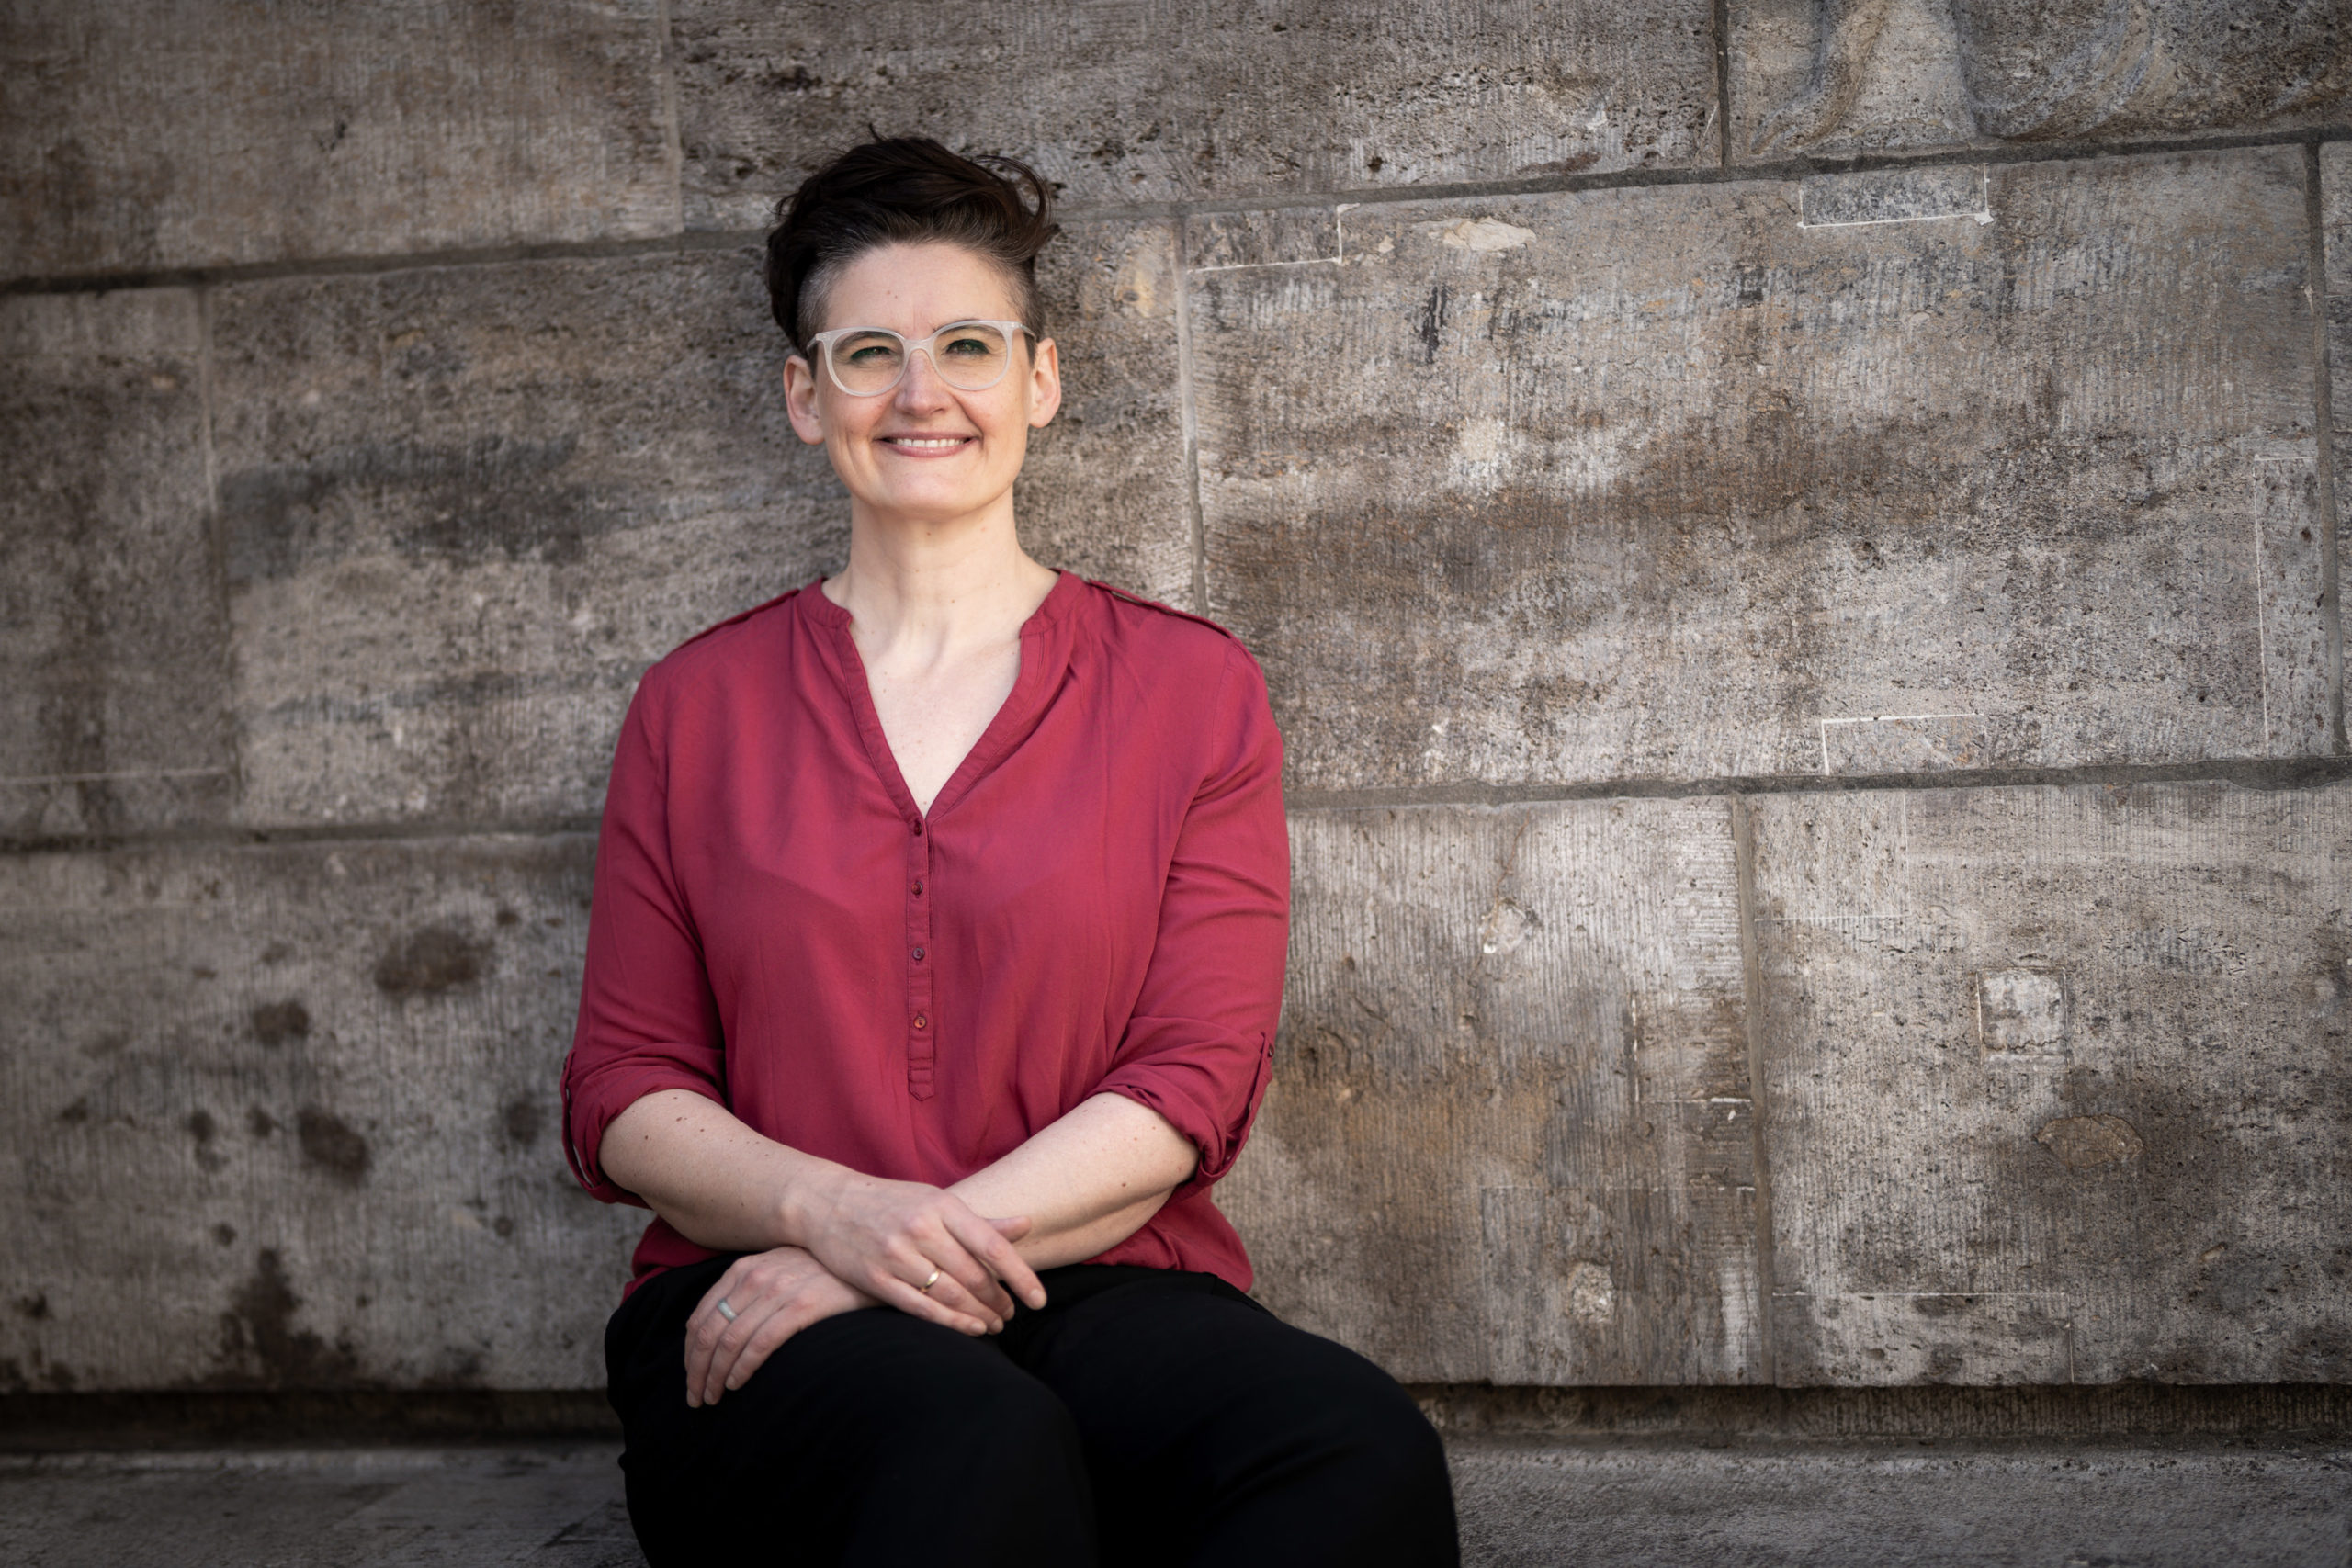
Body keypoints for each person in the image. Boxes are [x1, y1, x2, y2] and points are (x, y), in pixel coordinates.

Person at [559, 136, 1459, 1568]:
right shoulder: (695, 707)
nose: (923, 394)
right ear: (805, 397)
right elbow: (625, 1090)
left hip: (1088, 1282)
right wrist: (834, 1222)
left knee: (1350, 1447)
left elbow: (1191, 1081)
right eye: (869, 355)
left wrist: (897, 1255)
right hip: (758, 1303)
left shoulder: (1190, 692)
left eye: (968, 347)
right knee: (968, 1442)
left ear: (1040, 379)